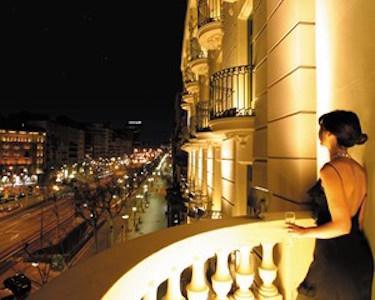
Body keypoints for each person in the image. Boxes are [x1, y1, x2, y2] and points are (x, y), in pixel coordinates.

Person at [288, 110, 373, 299]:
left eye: (321, 127)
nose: (319, 132)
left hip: (335, 259)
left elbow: (342, 226)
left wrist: (304, 232)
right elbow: (357, 222)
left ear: (329, 133)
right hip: (357, 255)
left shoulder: (331, 170)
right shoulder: (358, 169)